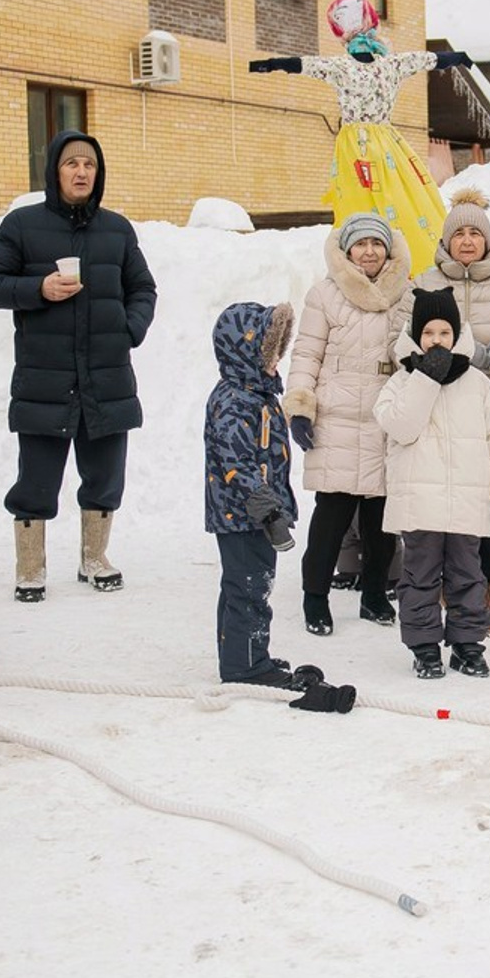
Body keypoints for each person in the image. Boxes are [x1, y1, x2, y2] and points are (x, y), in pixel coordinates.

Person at [0, 131, 157, 601]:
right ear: (55, 170)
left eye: (90, 166)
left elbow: (143, 288)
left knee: (104, 475)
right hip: (45, 377)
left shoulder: (117, 230)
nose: (81, 172)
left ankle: (94, 558)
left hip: (106, 375)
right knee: (36, 477)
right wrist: (39, 289)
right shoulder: (22, 225)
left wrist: (128, 328)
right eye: (72, 164)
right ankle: (30, 566)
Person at [394, 186, 490, 638]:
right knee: (442, 511)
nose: (466, 241)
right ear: (445, 240)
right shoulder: (423, 283)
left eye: (473, 234)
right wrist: (428, 366)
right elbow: (398, 340)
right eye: (457, 233)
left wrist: (488, 356)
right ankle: (440, 593)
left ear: (487, 239)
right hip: (437, 419)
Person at [249, 0, 469, 274]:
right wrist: (461, 58)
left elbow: (304, 65)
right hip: (388, 142)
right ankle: (411, 252)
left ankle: (362, 259)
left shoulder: (342, 66)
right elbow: (431, 59)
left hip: (356, 146)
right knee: (398, 196)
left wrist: (269, 64)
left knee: (359, 199)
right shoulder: (392, 63)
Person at [202, 301, 355, 712]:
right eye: (268, 353)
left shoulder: (255, 393)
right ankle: (246, 666)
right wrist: (268, 511)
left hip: (250, 514)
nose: (275, 362)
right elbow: (238, 466)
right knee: (250, 587)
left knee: (244, 584)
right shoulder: (236, 401)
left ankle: (242, 657)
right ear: (244, 354)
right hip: (243, 515)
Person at [373, 287, 490, 679]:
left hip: (466, 504)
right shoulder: (401, 382)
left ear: (456, 335)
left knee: (467, 576)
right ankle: (424, 646)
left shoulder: (478, 384)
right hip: (420, 505)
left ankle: (467, 645)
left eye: (443, 333)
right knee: (419, 577)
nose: (436, 341)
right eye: (428, 334)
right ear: (415, 336)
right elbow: (401, 427)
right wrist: (424, 378)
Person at [283, 212, 411, 637]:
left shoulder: (405, 295)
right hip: (335, 418)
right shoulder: (325, 294)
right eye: (361, 244)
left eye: (377, 244)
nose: (369, 252)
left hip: (383, 420)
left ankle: (374, 594)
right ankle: (314, 598)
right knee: (330, 520)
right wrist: (301, 405)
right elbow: (306, 354)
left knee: (380, 521)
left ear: (388, 250)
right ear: (347, 250)